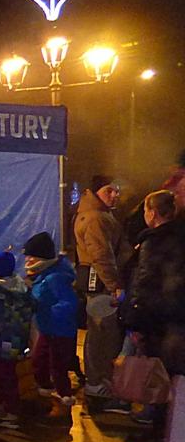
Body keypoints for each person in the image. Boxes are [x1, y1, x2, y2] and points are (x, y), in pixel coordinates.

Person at [120, 190, 185, 439]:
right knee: (175, 375)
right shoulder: (180, 237)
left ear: (153, 213)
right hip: (177, 318)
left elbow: (144, 283)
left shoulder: (153, 241)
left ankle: (158, 427)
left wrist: (135, 322)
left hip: (158, 321)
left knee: (158, 373)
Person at [72, 175, 133, 410]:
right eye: (109, 190)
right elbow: (101, 256)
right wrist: (115, 285)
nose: (115, 195)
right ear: (94, 192)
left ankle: (97, 381)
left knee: (99, 333)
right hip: (101, 285)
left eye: (117, 191)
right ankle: (98, 384)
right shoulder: (96, 218)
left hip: (97, 283)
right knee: (102, 334)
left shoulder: (96, 214)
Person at [23, 232, 78, 415]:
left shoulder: (54, 278)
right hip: (48, 328)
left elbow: (69, 303)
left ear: (42, 257)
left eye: (31, 256)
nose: (27, 260)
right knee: (40, 359)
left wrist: (47, 310)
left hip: (60, 330)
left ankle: (64, 394)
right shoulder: (43, 275)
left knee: (58, 364)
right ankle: (46, 388)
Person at [0, 251, 34, 430]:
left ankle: (10, 412)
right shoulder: (21, 288)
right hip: (16, 341)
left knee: (2, 376)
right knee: (5, 374)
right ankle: (2, 406)